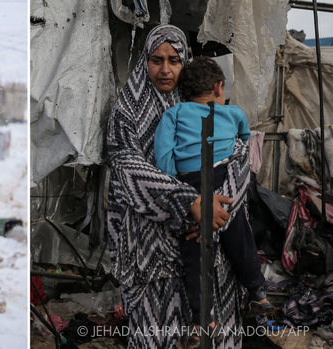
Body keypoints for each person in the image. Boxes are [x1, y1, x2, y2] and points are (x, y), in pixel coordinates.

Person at [106, 25, 250, 349]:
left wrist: (215, 209)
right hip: (151, 252)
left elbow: (239, 160)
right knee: (158, 333)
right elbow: (128, 166)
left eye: (174, 60)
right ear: (145, 61)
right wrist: (189, 202)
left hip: (209, 239)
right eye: (157, 60)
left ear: (185, 63)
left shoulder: (210, 108)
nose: (166, 69)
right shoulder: (125, 112)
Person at [154, 56, 273, 346]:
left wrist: (181, 189)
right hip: (225, 183)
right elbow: (243, 143)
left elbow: (162, 159)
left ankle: (203, 319)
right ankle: (258, 292)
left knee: (196, 256)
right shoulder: (234, 113)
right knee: (240, 237)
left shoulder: (173, 114)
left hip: (192, 183)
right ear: (220, 87)